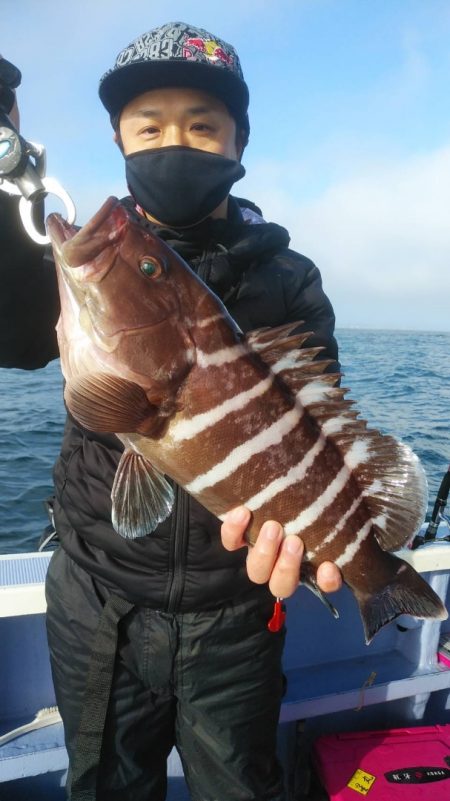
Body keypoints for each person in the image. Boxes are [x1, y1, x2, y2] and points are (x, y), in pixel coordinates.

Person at [0, 22, 342, 801]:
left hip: (238, 614)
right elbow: (11, 324)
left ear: (239, 140)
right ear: (119, 140)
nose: (174, 143)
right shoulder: (98, 259)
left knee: (240, 786)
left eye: (202, 125)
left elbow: (317, 425)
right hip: (98, 601)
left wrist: (314, 537)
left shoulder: (289, 279)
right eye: (149, 126)